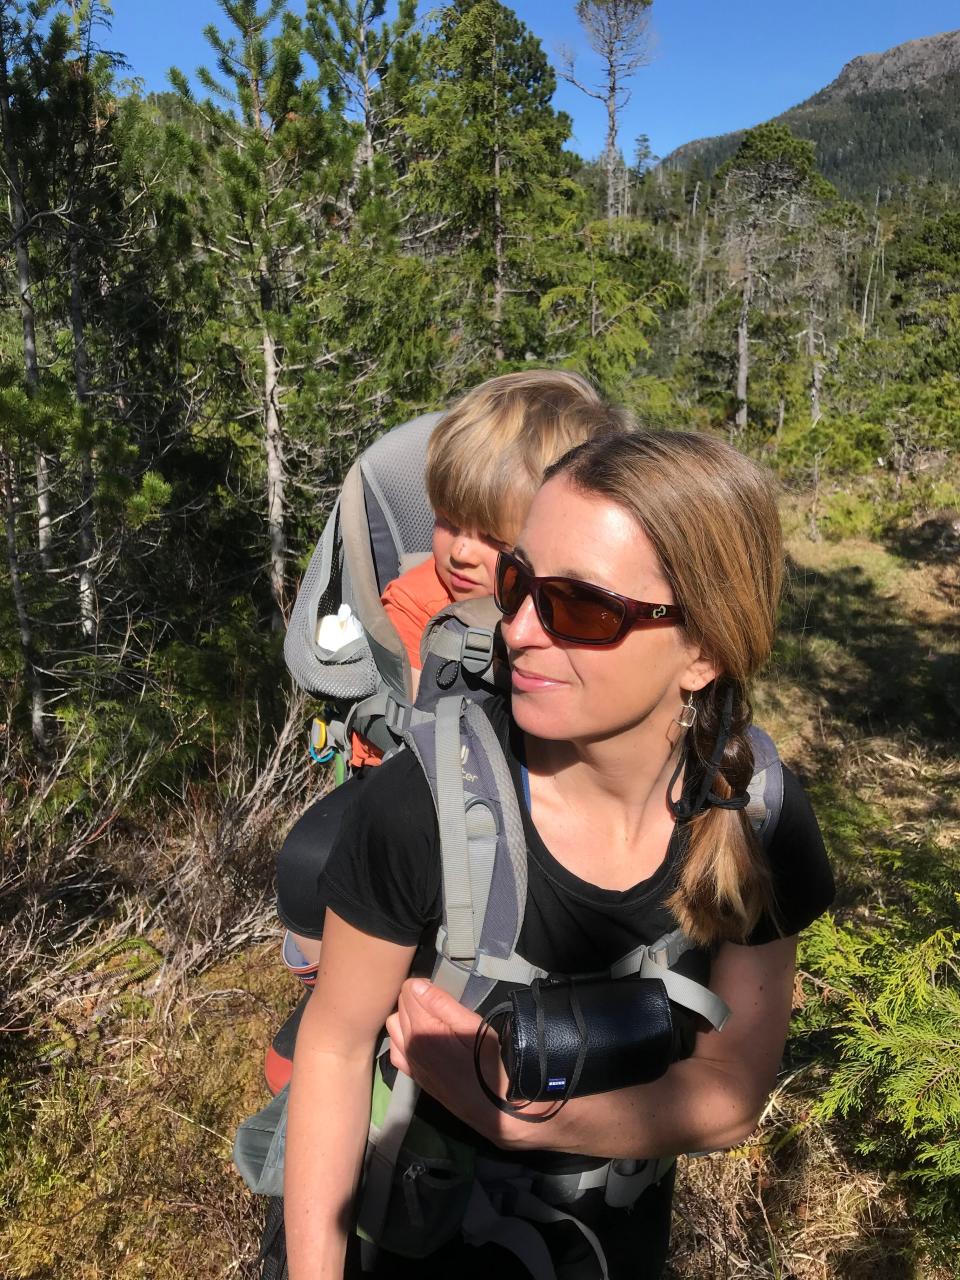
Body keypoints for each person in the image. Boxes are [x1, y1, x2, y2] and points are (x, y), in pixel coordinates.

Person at [282, 429, 835, 1279]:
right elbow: (333, 1048)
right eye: (518, 583)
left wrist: (514, 1114)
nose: (520, 631)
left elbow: (731, 1095)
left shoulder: (755, 814)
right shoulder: (422, 806)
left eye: (580, 607)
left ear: (704, 651)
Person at [274, 373, 633, 1009]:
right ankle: (344, 994)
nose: (461, 552)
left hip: (540, 790)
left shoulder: (584, 615)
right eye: (445, 522)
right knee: (307, 864)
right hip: (418, 777)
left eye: (493, 538)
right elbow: (415, 712)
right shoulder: (416, 601)